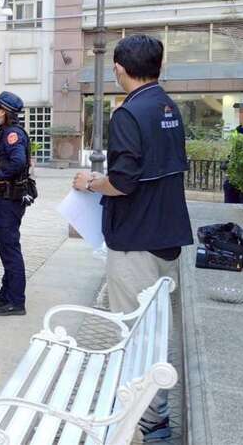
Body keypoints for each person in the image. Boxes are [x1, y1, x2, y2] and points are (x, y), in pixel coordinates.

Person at [72, 34, 192, 443]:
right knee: (155, 328)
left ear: (119, 69)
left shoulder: (128, 113)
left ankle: (150, 421)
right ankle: (151, 411)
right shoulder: (167, 107)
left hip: (136, 241)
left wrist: (90, 183)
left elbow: (123, 182)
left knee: (136, 333)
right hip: (166, 237)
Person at [0, 91, 32, 317]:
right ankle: (6, 293)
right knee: (6, 245)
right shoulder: (7, 132)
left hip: (9, 198)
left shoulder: (12, 134)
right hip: (6, 197)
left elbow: (19, 161)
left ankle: (16, 301)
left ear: (4, 111)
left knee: (10, 247)